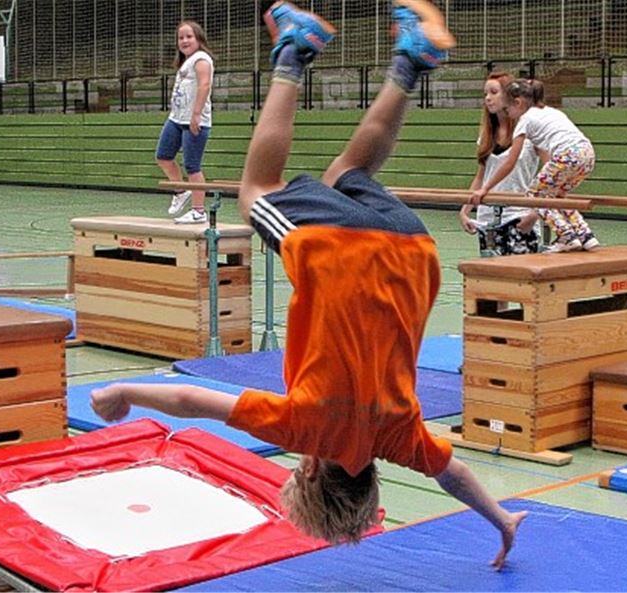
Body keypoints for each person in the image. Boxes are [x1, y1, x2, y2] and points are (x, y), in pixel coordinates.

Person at [93, 0, 527, 569]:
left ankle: (409, 61)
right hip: (339, 255)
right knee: (256, 191)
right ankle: (293, 51)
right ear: (312, 471)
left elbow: (454, 475)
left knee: (346, 173)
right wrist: (125, 393)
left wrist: (501, 520)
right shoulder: (305, 428)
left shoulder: (400, 440)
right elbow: (191, 400)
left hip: (412, 252)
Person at [470, 78, 599, 253]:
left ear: (518, 103)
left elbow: (510, 163)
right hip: (587, 154)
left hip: (566, 155)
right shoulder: (551, 112)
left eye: (507, 109)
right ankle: (585, 235)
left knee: (535, 196)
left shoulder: (524, 120)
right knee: (558, 195)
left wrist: (485, 189)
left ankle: (567, 235)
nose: (508, 114)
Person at [458, 71, 541, 257]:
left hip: (519, 214)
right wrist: (464, 211)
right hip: (488, 217)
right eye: (485, 94)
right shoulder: (486, 136)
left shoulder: (530, 132)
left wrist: (536, 213)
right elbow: (481, 177)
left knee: (519, 271)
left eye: (494, 92)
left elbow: (551, 175)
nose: (488, 98)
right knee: (492, 272)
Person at [157, 20, 214, 224]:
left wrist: (196, 115)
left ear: (198, 39)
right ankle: (181, 191)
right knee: (163, 156)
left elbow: (205, 85)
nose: (184, 41)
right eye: (181, 38)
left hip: (194, 121)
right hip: (176, 118)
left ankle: (198, 211)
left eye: (189, 36)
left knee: (192, 166)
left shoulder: (201, 59)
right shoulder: (186, 62)